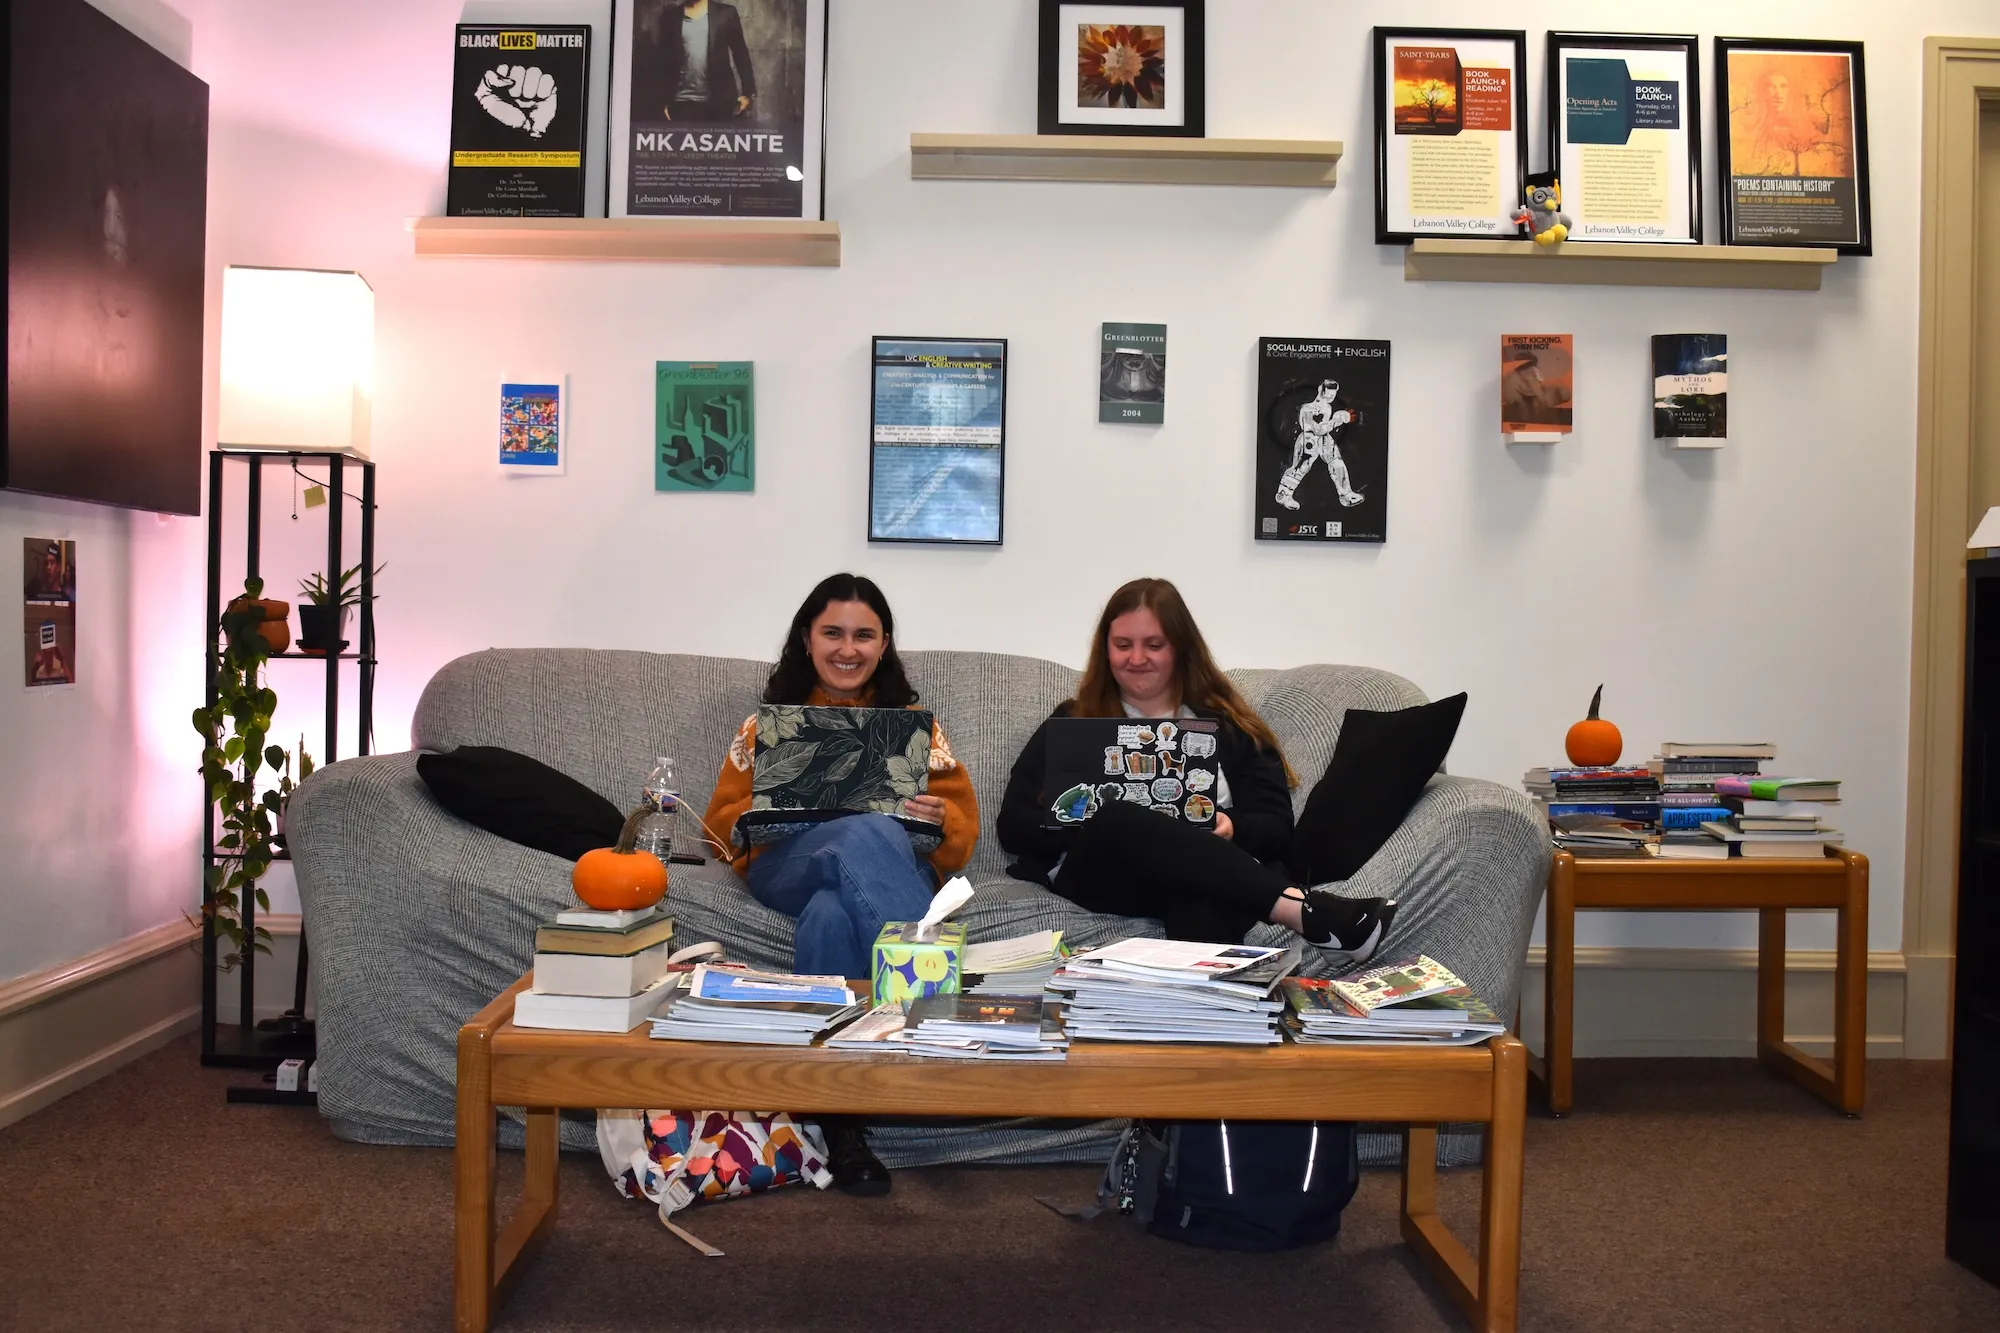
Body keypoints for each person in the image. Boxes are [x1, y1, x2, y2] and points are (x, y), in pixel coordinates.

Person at [702, 572, 977, 1196]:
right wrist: (763, 814)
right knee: (861, 833)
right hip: (786, 866)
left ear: (884, 645)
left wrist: (941, 816)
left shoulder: (912, 727)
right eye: (832, 632)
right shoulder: (765, 726)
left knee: (830, 913)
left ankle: (839, 1123)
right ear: (807, 638)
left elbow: (962, 826)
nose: (847, 648)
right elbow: (722, 826)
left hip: (883, 870)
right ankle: (935, 1016)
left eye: (863, 634)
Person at [998, 578, 1395, 966]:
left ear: (1180, 649)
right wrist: (1080, 820)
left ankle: (1218, 1017)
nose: (1137, 659)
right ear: (1105, 650)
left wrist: (1231, 826)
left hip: (1208, 872)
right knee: (1116, 813)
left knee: (1202, 892)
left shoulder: (1227, 725)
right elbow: (1013, 825)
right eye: (1123, 645)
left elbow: (1276, 826)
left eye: (1154, 645)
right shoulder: (1071, 722)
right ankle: (1303, 909)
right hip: (1103, 873)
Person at [636, 0, 756, 124]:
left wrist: (748, 93)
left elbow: (740, 52)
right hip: (681, 102)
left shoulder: (726, 13)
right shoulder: (670, 17)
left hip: (720, 102)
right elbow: (663, 61)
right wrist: (662, 102)